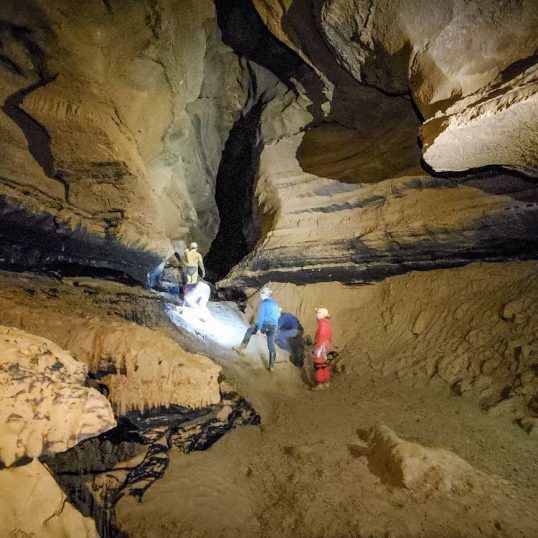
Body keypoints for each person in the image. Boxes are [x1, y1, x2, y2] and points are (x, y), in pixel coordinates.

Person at [234, 287, 280, 371]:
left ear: (265, 294)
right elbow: (278, 315)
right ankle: (272, 366)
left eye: (261, 294)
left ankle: (241, 348)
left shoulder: (264, 303)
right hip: (274, 326)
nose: (260, 296)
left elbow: (261, 317)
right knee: (271, 344)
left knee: (250, 330)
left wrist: (259, 329)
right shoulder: (275, 304)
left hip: (265, 324)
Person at [312, 307, 333, 390]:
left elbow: (321, 336)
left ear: (323, 315)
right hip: (326, 345)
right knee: (323, 364)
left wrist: (318, 347)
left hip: (322, 345)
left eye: (318, 313)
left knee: (318, 364)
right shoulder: (326, 323)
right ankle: (326, 382)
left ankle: (320, 384)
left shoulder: (323, 324)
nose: (316, 314)